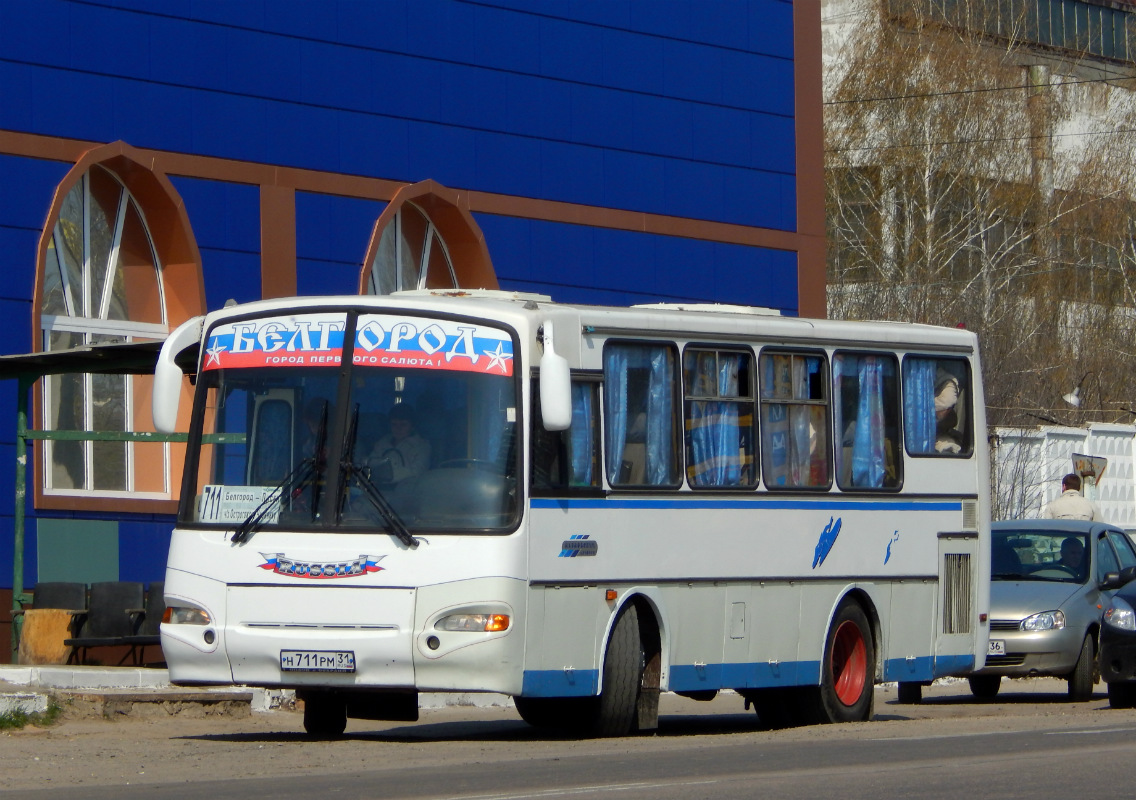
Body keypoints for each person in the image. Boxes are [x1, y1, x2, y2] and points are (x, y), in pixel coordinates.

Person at [368, 404, 431, 485]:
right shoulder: (382, 443)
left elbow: (417, 472)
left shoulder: (422, 446)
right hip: (377, 491)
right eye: (394, 424)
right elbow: (370, 464)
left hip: (407, 492)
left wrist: (385, 476)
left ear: (412, 427)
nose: (398, 428)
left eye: (403, 424)